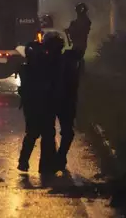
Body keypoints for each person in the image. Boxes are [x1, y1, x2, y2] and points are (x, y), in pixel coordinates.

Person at [17, 39, 57, 174]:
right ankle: (44, 165)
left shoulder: (25, 68)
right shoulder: (44, 67)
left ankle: (24, 161)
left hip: (31, 104)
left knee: (32, 134)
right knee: (46, 134)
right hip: (43, 103)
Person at [44, 32, 78, 172]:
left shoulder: (44, 61)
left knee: (49, 133)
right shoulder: (67, 61)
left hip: (52, 101)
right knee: (65, 132)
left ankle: (53, 161)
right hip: (64, 101)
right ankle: (58, 159)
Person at [65, 2, 92, 73]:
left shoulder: (85, 21)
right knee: (76, 57)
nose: (77, 13)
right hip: (77, 42)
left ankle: (80, 71)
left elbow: (82, 30)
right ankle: (78, 71)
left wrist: (71, 30)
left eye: (78, 10)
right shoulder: (76, 22)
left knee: (78, 56)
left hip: (81, 42)